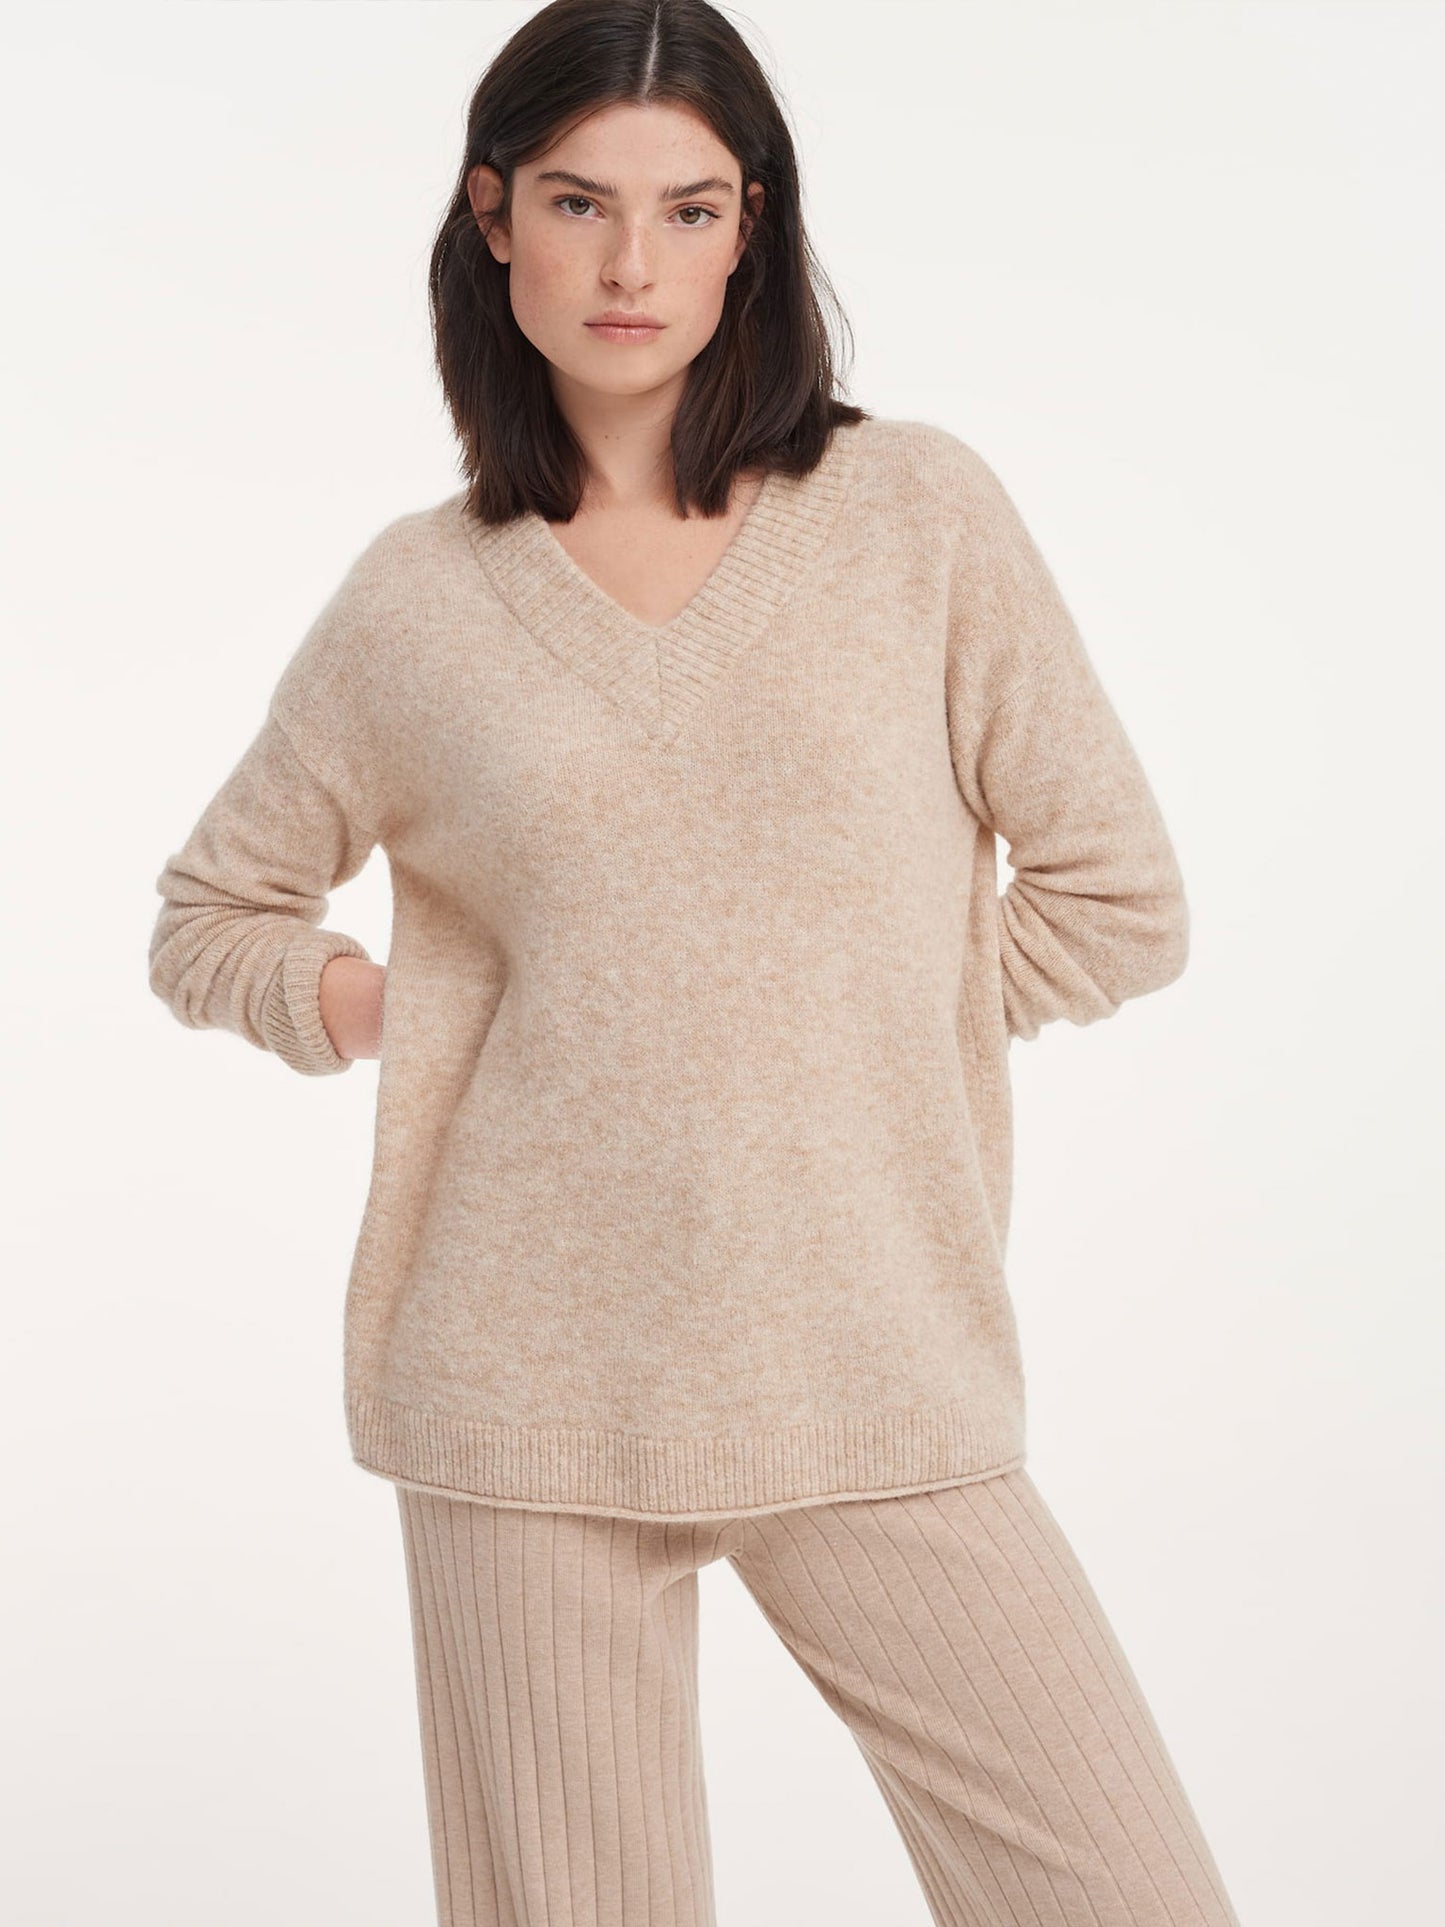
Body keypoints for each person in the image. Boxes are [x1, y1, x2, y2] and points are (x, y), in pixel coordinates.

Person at [146, 3, 1242, 1922]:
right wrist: (419, 1020)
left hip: (870, 1357)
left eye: (690, 207)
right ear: (494, 216)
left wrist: (847, 1031)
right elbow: (209, 917)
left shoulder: (914, 516)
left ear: (753, 228)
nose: (631, 265)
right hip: (524, 1389)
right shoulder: (416, 602)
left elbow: (1114, 896)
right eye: (580, 203)